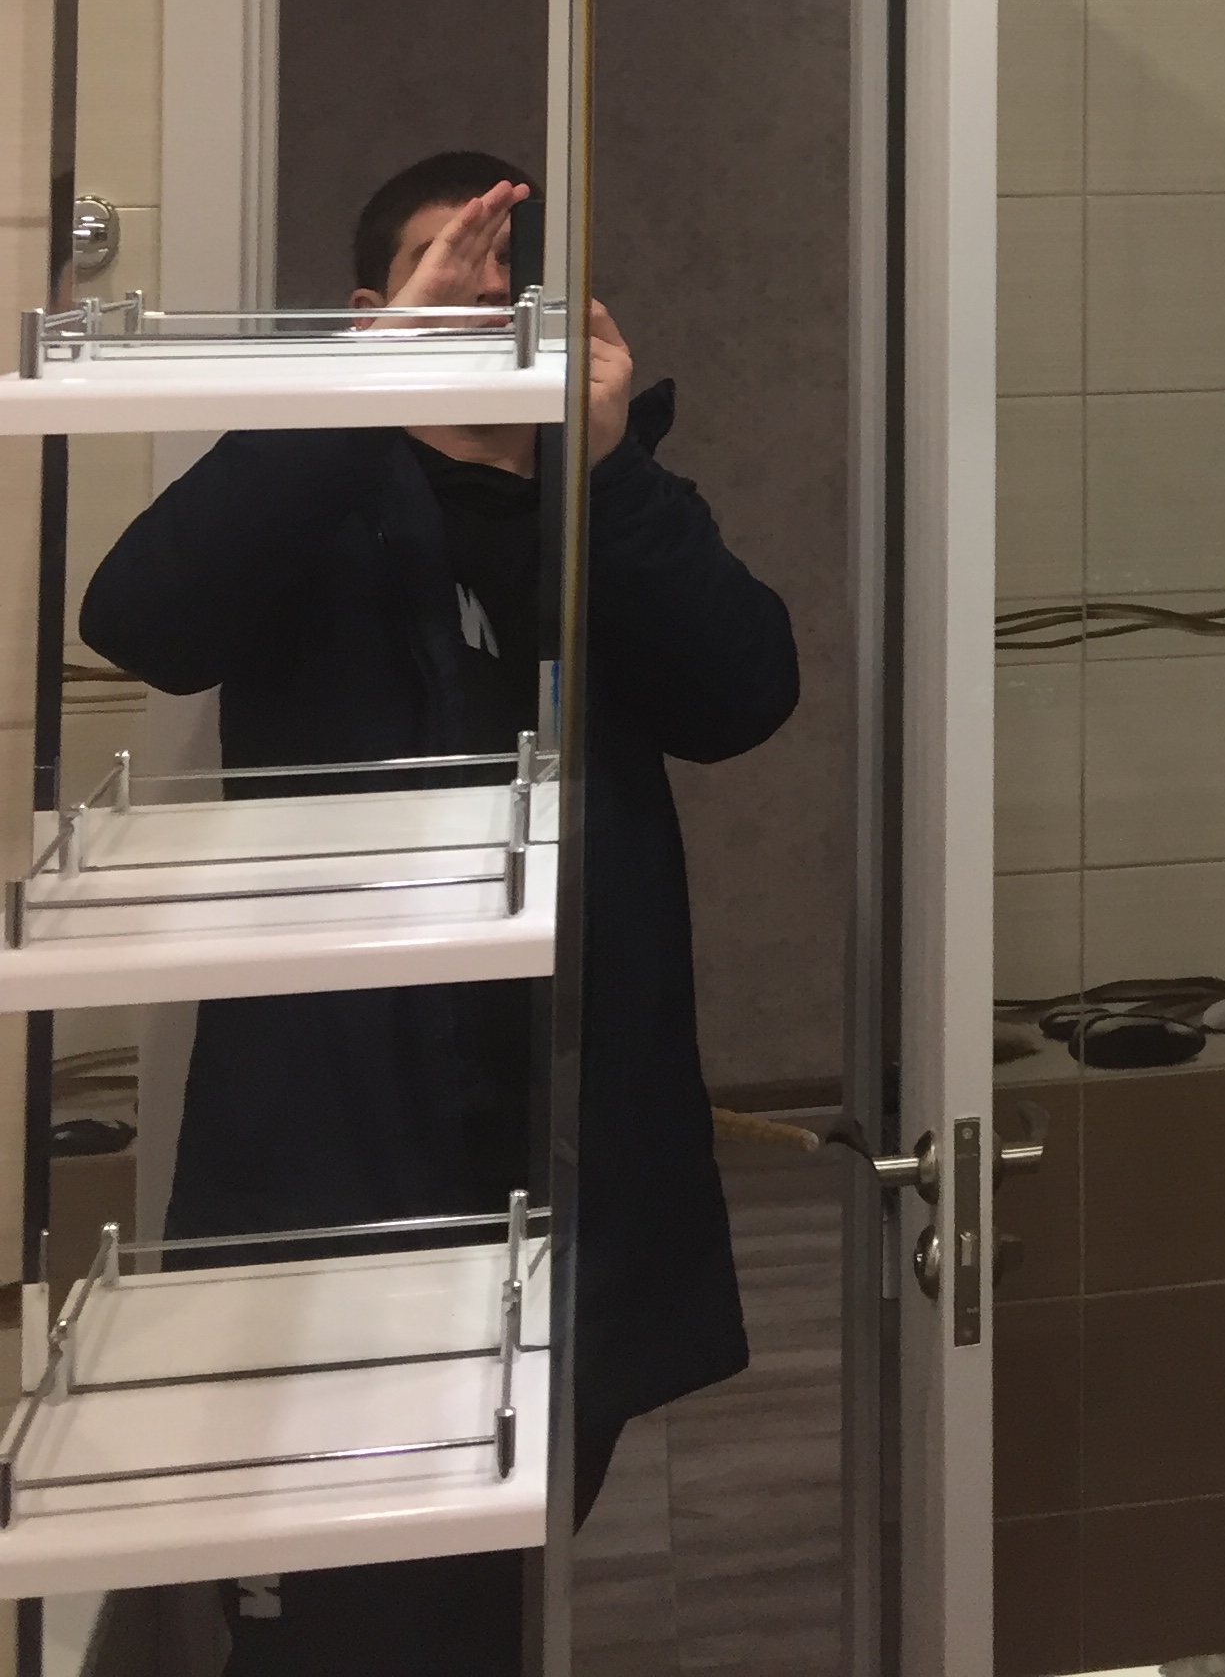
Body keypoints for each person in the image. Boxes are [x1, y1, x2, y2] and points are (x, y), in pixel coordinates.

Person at [82, 150, 800, 1673]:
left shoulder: (607, 502)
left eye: (514, 282)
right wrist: (360, 390)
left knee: (511, 1577)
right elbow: (141, 621)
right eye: (444, 272)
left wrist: (609, 471)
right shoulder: (316, 496)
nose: (486, 294)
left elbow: (745, 695)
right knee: (343, 1600)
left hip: (571, 1136)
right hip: (341, 1137)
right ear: (368, 312)